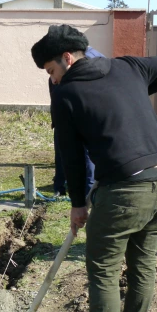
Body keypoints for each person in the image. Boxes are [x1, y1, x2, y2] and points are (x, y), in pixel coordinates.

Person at [31, 24, 157, 312]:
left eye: (51, 71)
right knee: (142, 266)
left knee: (103, 272)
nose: (52, 80)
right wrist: (136, 88)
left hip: (123, 192)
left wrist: (78, 204)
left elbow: (70, 156)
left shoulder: (67, 94)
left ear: (67, 59)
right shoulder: (129, 68)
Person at [51, 46, 103, 198]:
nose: (53, 77)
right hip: (64, 116)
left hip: (85, 117)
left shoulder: (92, 59)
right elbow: (55, 93)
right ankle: (59, 188)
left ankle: (88, 194)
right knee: (62, 152)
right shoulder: (58, 67)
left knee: (87, 158)